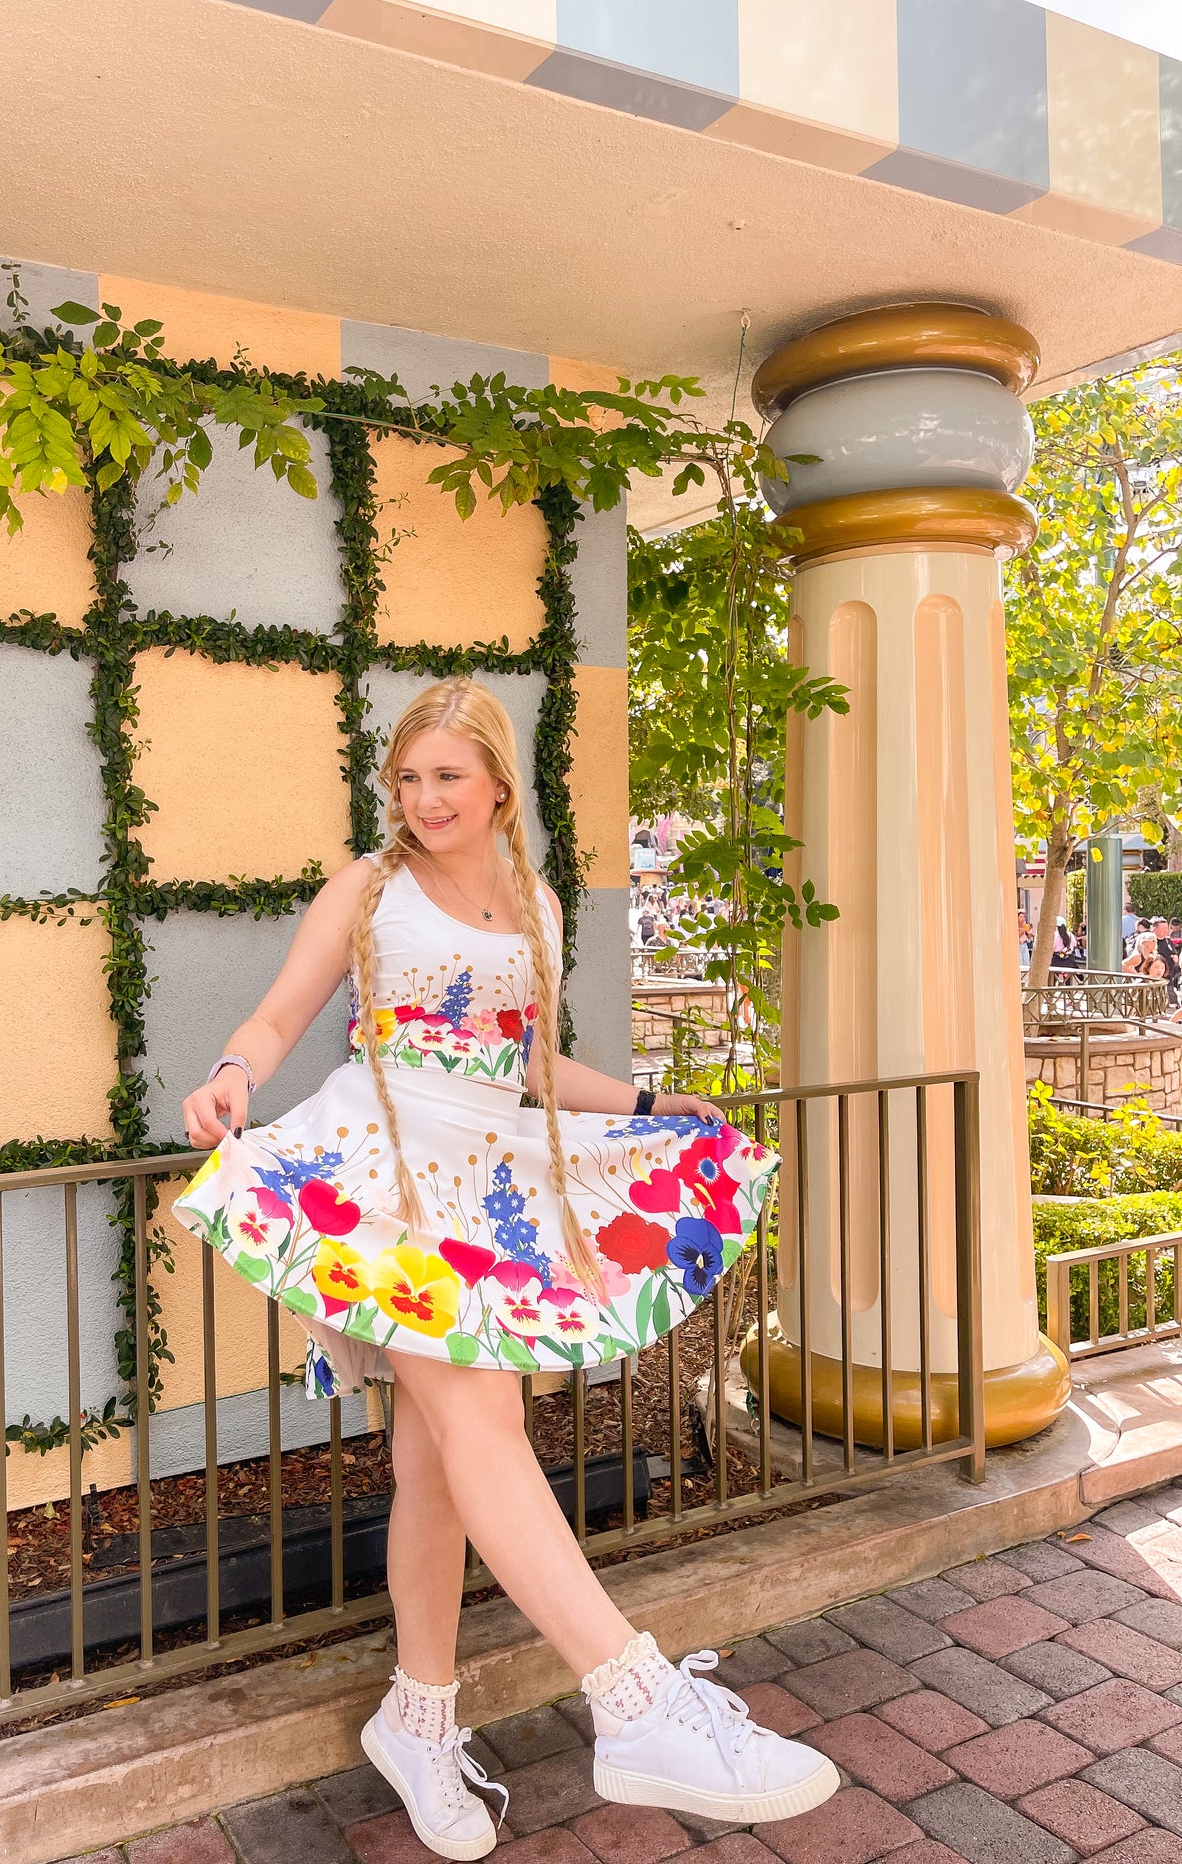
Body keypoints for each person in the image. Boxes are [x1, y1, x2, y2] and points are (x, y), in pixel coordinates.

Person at [177, 680, 837, 1856]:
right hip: (383, 1175)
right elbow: (280, 1016)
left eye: (446, 776)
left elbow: (527, 1066)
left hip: (484, 1184)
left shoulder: (529, 899)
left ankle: (417, 1716)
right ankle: (632, 1697)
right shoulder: (367, 888)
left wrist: (640, 1103)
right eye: (408, 777)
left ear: (495, 785)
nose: (424, 799)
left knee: (438, 1453)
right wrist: (235, 1068)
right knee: (482, 1415)